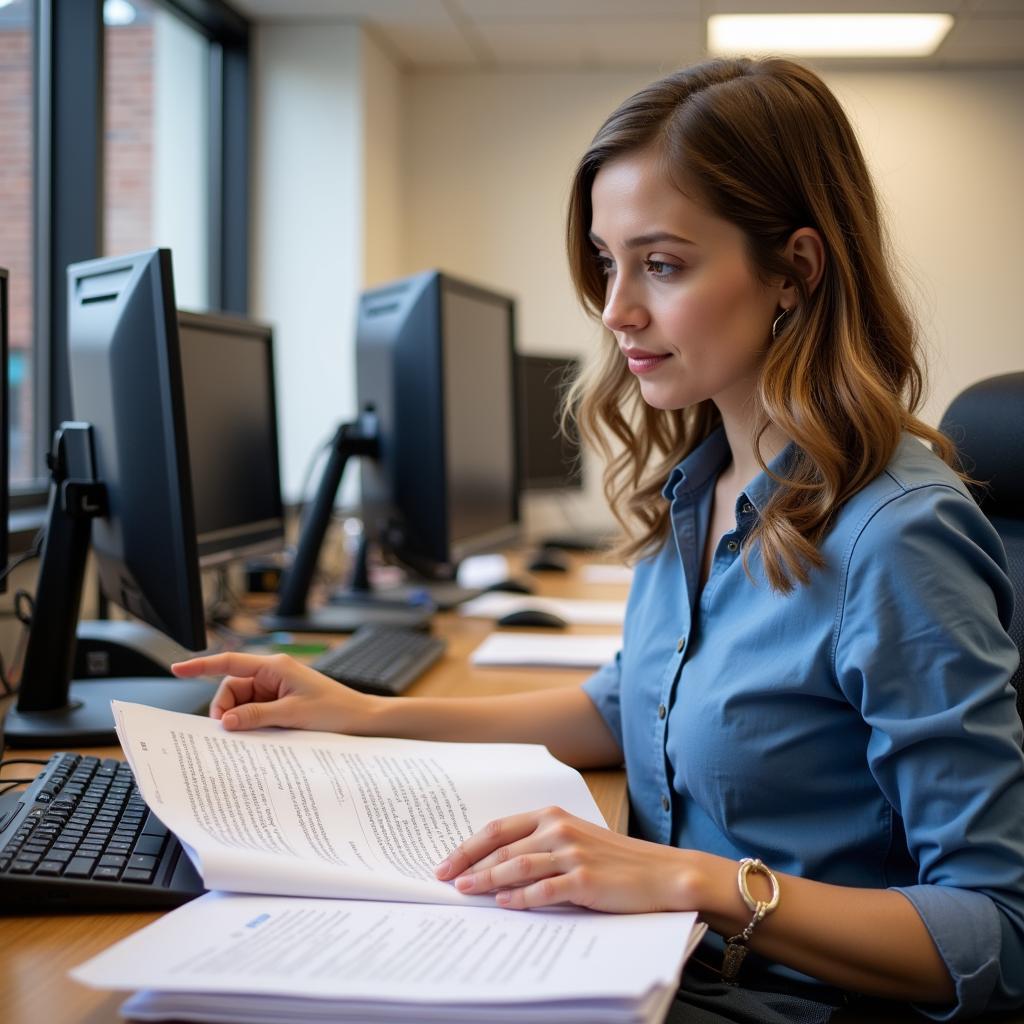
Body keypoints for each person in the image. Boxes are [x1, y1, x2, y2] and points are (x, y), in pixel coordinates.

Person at [173, 57, 1024, 1022]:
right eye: (608, 262)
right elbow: (631, 705)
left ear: (795, 269)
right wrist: (360, 714)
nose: (616, 309)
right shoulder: (703, 480)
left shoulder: (898, 537)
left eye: (661, 265)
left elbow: (994, 931)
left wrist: (697, 880)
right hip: (653, 970)